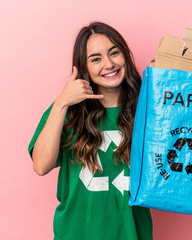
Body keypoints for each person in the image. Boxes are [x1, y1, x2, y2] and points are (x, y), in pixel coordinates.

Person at [27, 22, 153, 240]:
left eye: (114, 53)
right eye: (96, 59)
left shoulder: (149, 108)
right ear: (84, 68)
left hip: (132, 234)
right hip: (76, 233)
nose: (109, 64)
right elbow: (41, 165)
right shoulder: (66, 111)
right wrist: (61, 103)